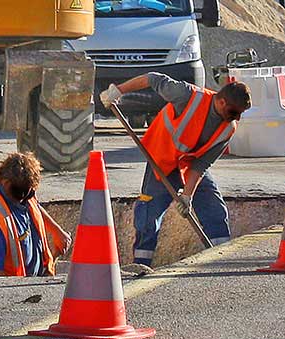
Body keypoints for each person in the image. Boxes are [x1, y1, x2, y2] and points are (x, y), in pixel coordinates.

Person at [100, 72, 251, 269]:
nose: (237, 117)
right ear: (221, 102)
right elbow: (152, 78)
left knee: (214, 208)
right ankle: (141, 265)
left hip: (189, 166)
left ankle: (219, 259)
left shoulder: (228, 128)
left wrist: (187, 195)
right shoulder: (187, 95)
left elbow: (201, 164)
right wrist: (117, 91)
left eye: (240, 113)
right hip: (161, 161)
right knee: (148, 215)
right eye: (234, 112)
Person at [0, 153, 71, 277]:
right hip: (5, 291)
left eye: (29, 194)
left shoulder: (21, 191)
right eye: (22, 194)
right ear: (6, 183)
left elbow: (33, 205)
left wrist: (57, 231)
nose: (25, 199)